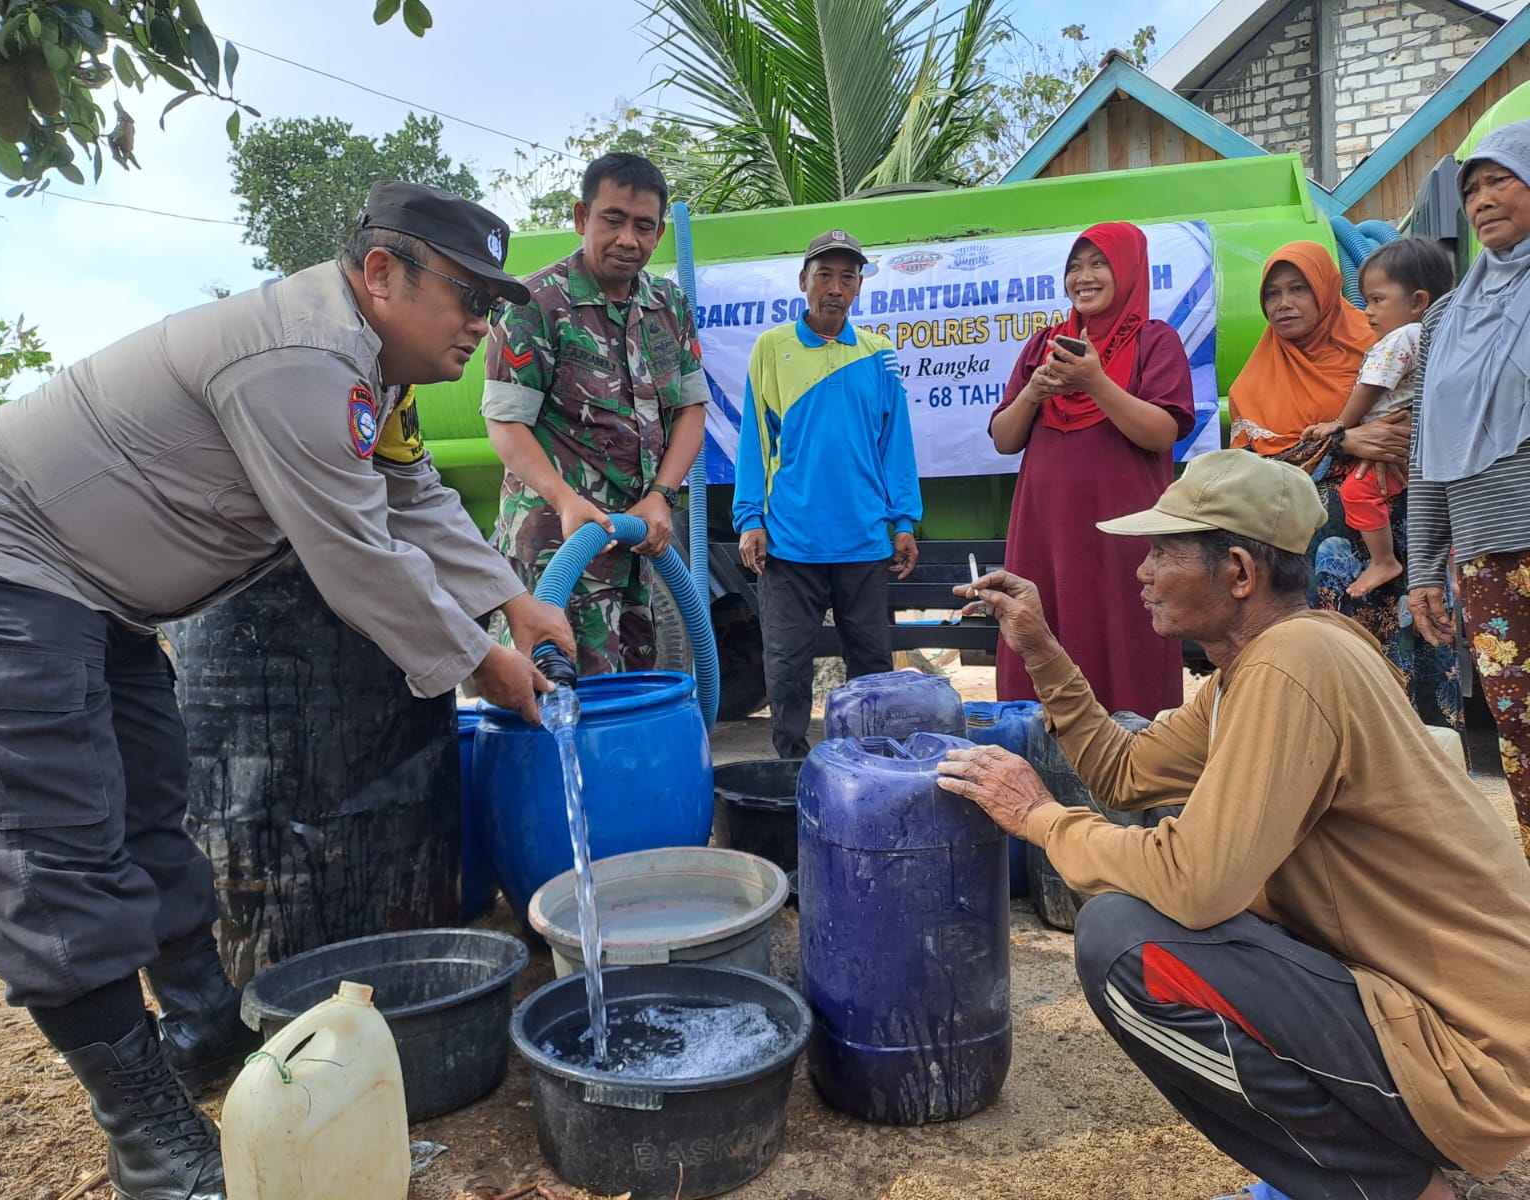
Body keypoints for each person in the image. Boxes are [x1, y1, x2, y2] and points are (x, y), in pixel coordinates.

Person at [0, 182, 575, 1200]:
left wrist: (509, 595)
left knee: (151, 813)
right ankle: (148, 1136)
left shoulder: (373, 376)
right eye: (466, 297)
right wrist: (484, 662)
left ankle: (203, 1036)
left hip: (101, 598)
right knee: (52, 849)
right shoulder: (297, 364)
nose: (480, 326)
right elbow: (357, 553)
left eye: (493, 305)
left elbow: (408, 491)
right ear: (380, 274)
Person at [939, 450, 1530, 1200]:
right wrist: (1041, 649)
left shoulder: (1294, 662)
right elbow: (1127, 773)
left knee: (1124, 946)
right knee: (1151, 910)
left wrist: (1044, 821)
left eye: (1161, 552)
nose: (1141, 572)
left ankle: (1389, 1186)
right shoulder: (1257, 666)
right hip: (1437, 1021)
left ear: (1241, 573)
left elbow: (1198, 883)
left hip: (1470, 1062)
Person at [482, 152, 709, 677]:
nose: (628, 239)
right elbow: (506, 423)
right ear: (583, 218)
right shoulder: (534, 302)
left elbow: (691, 411)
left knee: (635, 702)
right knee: (554, 701)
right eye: (613, 220)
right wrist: (565, 501)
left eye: (644, 226)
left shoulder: (669, 306)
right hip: (556, 552)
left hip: (636, 547)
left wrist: (661, 496)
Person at [1230, 240, 1459, 728]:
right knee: (1330, 691)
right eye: (1272, 293)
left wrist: (1404, 434)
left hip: (1414, 533)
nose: (1283, 303)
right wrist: (1345, 441)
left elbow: (1444, 416)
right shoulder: (1253, 382)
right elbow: (1249, 480)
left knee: (1422, 664)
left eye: (1298, 289)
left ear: (1328, 292)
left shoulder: (1387, 341)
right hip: (1315, 559)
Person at [988, 221, 1194, 715]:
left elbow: (1163, 433)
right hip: (1046, 530)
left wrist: (1096, 382)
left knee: (1125, 635)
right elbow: (1003, 439)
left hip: (1123, 533)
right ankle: (1038, 757)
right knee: (1043, 627)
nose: (1085, 276)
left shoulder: (1154, 341)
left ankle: (1133, 765)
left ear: (1128, 271)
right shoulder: (1044, 346)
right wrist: (1034, 392)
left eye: (1099, 263)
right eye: (1074, 267)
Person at [732, 229, 922, 758]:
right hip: (791, 543)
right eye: (824, 275)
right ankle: (792, 772)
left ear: (859, 287)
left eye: (847, 276)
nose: (835, 287)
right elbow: (755, 441)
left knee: (872, 669)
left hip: (864, 542)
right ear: (803, 282)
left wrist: (903, 522)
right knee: (787, 667)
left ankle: (875, 769)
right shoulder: (772, 348)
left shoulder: (877, 353)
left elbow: (895, 446)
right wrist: (750, 518)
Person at [1409, 120, 1530, 862]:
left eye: (1501, 179)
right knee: (1518, 735)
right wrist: (1424, 565)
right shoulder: (1446, 319)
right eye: (1471, 188)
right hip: (1483, 554)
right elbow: (1426, 451)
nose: (1483, 199)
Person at [1302, 239, 1453, 598]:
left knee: (1360, 491)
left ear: (1418, 301)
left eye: (1377, 300)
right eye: (1366, 299)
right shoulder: (1440, 337)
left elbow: (1371, 386)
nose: (1367, 311)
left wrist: (1340, 427)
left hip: (1395, 466)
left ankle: (1384, 559)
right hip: (1415, 468)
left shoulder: (1398, 338)